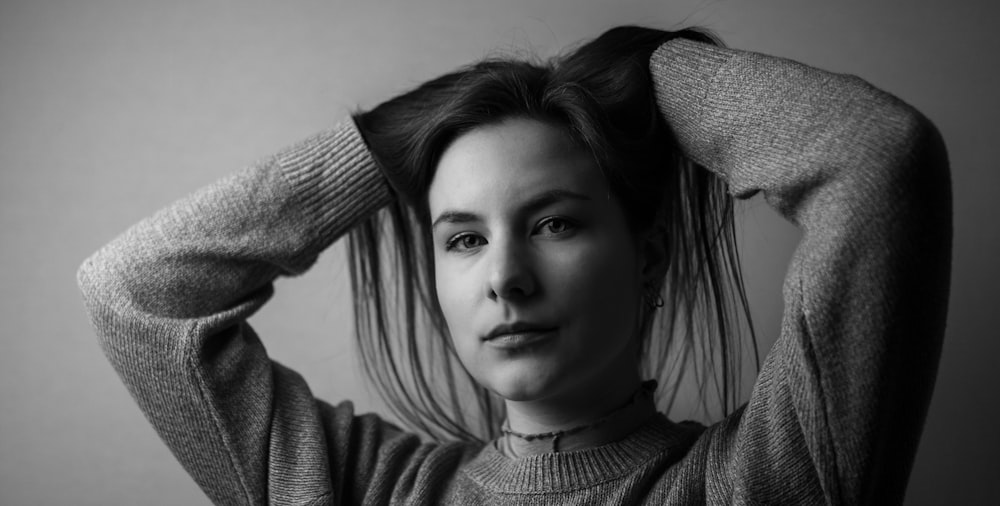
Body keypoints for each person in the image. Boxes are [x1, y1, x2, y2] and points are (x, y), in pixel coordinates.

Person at [77, 25, 951, 504]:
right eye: (463, 237)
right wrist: (380, 149)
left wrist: (649, 72)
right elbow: (135, 294)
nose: (505, 275)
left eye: (555, 223)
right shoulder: (358, 489)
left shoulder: (758, 482)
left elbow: (878, 156)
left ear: (647, 261)